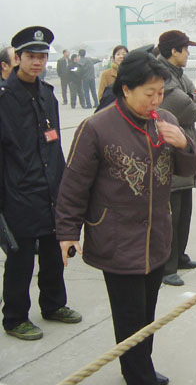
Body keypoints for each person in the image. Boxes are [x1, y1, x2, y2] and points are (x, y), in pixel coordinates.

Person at [56, 47, 196, 384]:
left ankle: (141, 365)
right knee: (129, 314)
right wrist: (67, 232)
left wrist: (183, 144)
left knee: (147, 312)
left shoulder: (166, 121)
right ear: (125, 89)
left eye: (160, 93)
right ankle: (137, 374)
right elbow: (74, 184)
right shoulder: (97, 127)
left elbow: (189, 169)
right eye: (148, 93)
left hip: (156, 235)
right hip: (116, 238)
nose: (156, 100)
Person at [1, 26, 81, 341]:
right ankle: (15, 317)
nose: (37, 62)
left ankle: (53, 304)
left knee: (52, 253)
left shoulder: (47, 95)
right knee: (20, 261)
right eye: (31, 56)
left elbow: (54, 145)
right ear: (17, 58)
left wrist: (64, 187)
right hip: (18, 194)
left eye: (42, 56)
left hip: (51, 189)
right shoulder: (5, 100)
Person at [156, 30, 196, 286]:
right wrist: (192, 99)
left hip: (185, 149)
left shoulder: (179, 75)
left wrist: (192, 98)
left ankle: (179, 257)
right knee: (171, 214)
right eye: (185, 49)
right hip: (169, 153)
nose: (188, 53)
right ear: (173, 51)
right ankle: (167, 266)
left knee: (184, 210)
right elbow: (188, 110)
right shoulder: (161, 76)